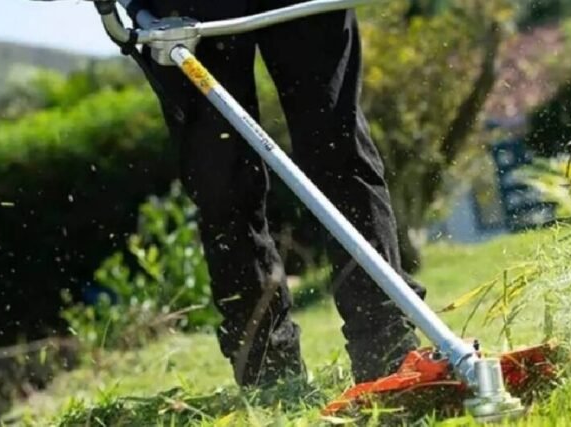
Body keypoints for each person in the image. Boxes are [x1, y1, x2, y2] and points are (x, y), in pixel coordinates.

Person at [125, 0, 426, 387]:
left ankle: (388, 351)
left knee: (338, 152)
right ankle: (270, 373)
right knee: (221, 180)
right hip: (184, 10)